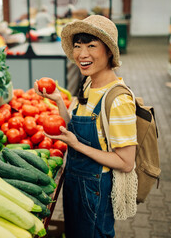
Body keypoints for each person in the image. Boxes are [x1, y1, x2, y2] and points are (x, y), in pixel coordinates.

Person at [34, 15, 138, 237]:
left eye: (92, 46)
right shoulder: (90, 83)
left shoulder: (118, 100)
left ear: (109, 50)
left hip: (95, 190)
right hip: (76, 183)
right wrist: (58, 100)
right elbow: (75, 128)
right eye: (78, 46)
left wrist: (77, 146)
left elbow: (126, 162)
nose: (82, 54)